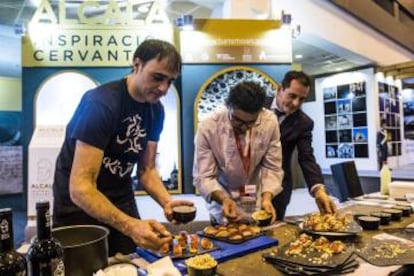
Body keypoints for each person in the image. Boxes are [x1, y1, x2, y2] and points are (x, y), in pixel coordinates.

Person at [52, 39, 194, 256]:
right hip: (79, 206)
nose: (164, 88)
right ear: (137, 64)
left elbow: (147, 171)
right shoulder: (101, 104)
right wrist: (130, 225)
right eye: (157, 77)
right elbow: (81, 188)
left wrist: (168, 202)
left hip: (120, 197)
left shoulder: (156, 112)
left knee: (129, 263)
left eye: (170, 81)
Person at [193, 81, 284, 225]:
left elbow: (272, 167)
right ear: (228, 106)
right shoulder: (208, 127)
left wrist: (267, 198)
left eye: (250, 123)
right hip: (222, 197)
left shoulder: (270, 121)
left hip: (253, 197)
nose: (244, 128)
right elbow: (203, 177)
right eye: (237, 120)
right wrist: (224, 200)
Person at [265, 70, 337, 220]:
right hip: (247, 186)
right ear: (279, 89)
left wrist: (319, 190)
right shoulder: (256, 106)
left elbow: (306, 157)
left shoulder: (304, 123)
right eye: (292, 96)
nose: (296, 103)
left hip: (279, 188)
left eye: (302, 99)